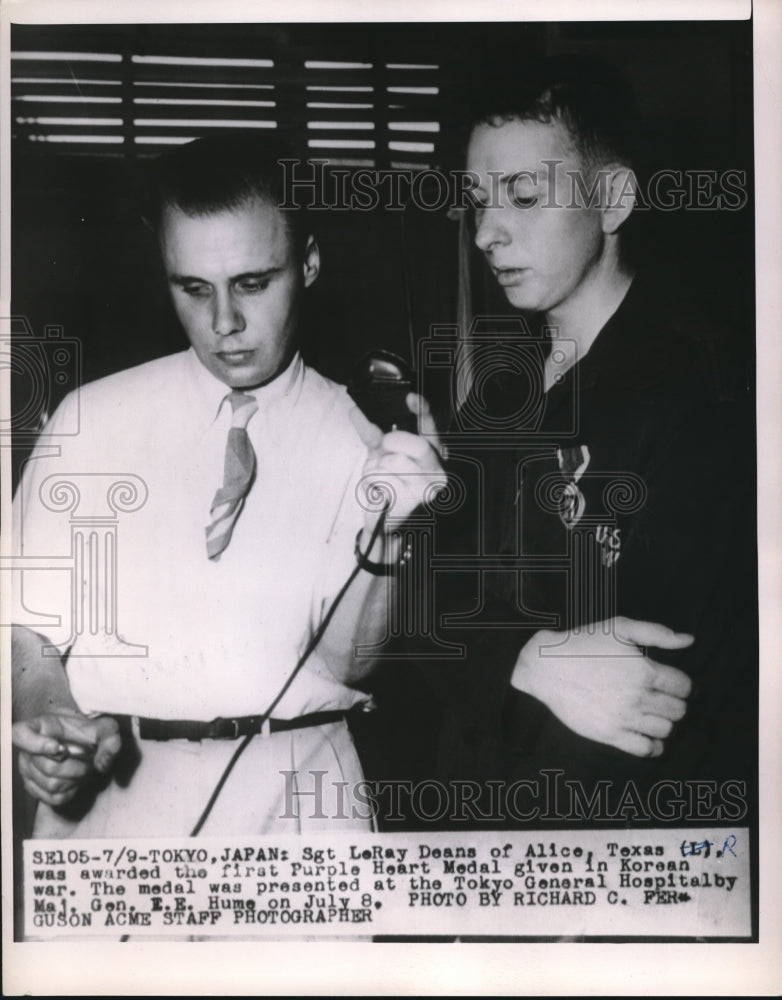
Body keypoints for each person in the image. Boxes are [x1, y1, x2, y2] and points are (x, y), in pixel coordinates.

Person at [10, 134, 446, 840]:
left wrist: (390, 534)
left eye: (252, 283)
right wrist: (50, 718)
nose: (224, 324)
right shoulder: (90, 419)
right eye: (193, 288)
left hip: (303, 795)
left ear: (308, 263)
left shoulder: (372, 438)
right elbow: (27, 628)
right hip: (110, 796)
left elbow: (350, 665)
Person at [411, 54, 755, 824]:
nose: (486, 232)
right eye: (478, 201)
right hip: (468, 823)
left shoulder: (710, 396)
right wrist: (528, 658)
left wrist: (493, 658)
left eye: (524, 196)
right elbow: (418, 603)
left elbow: (657, 683)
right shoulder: (499, 394)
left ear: (614, 199)